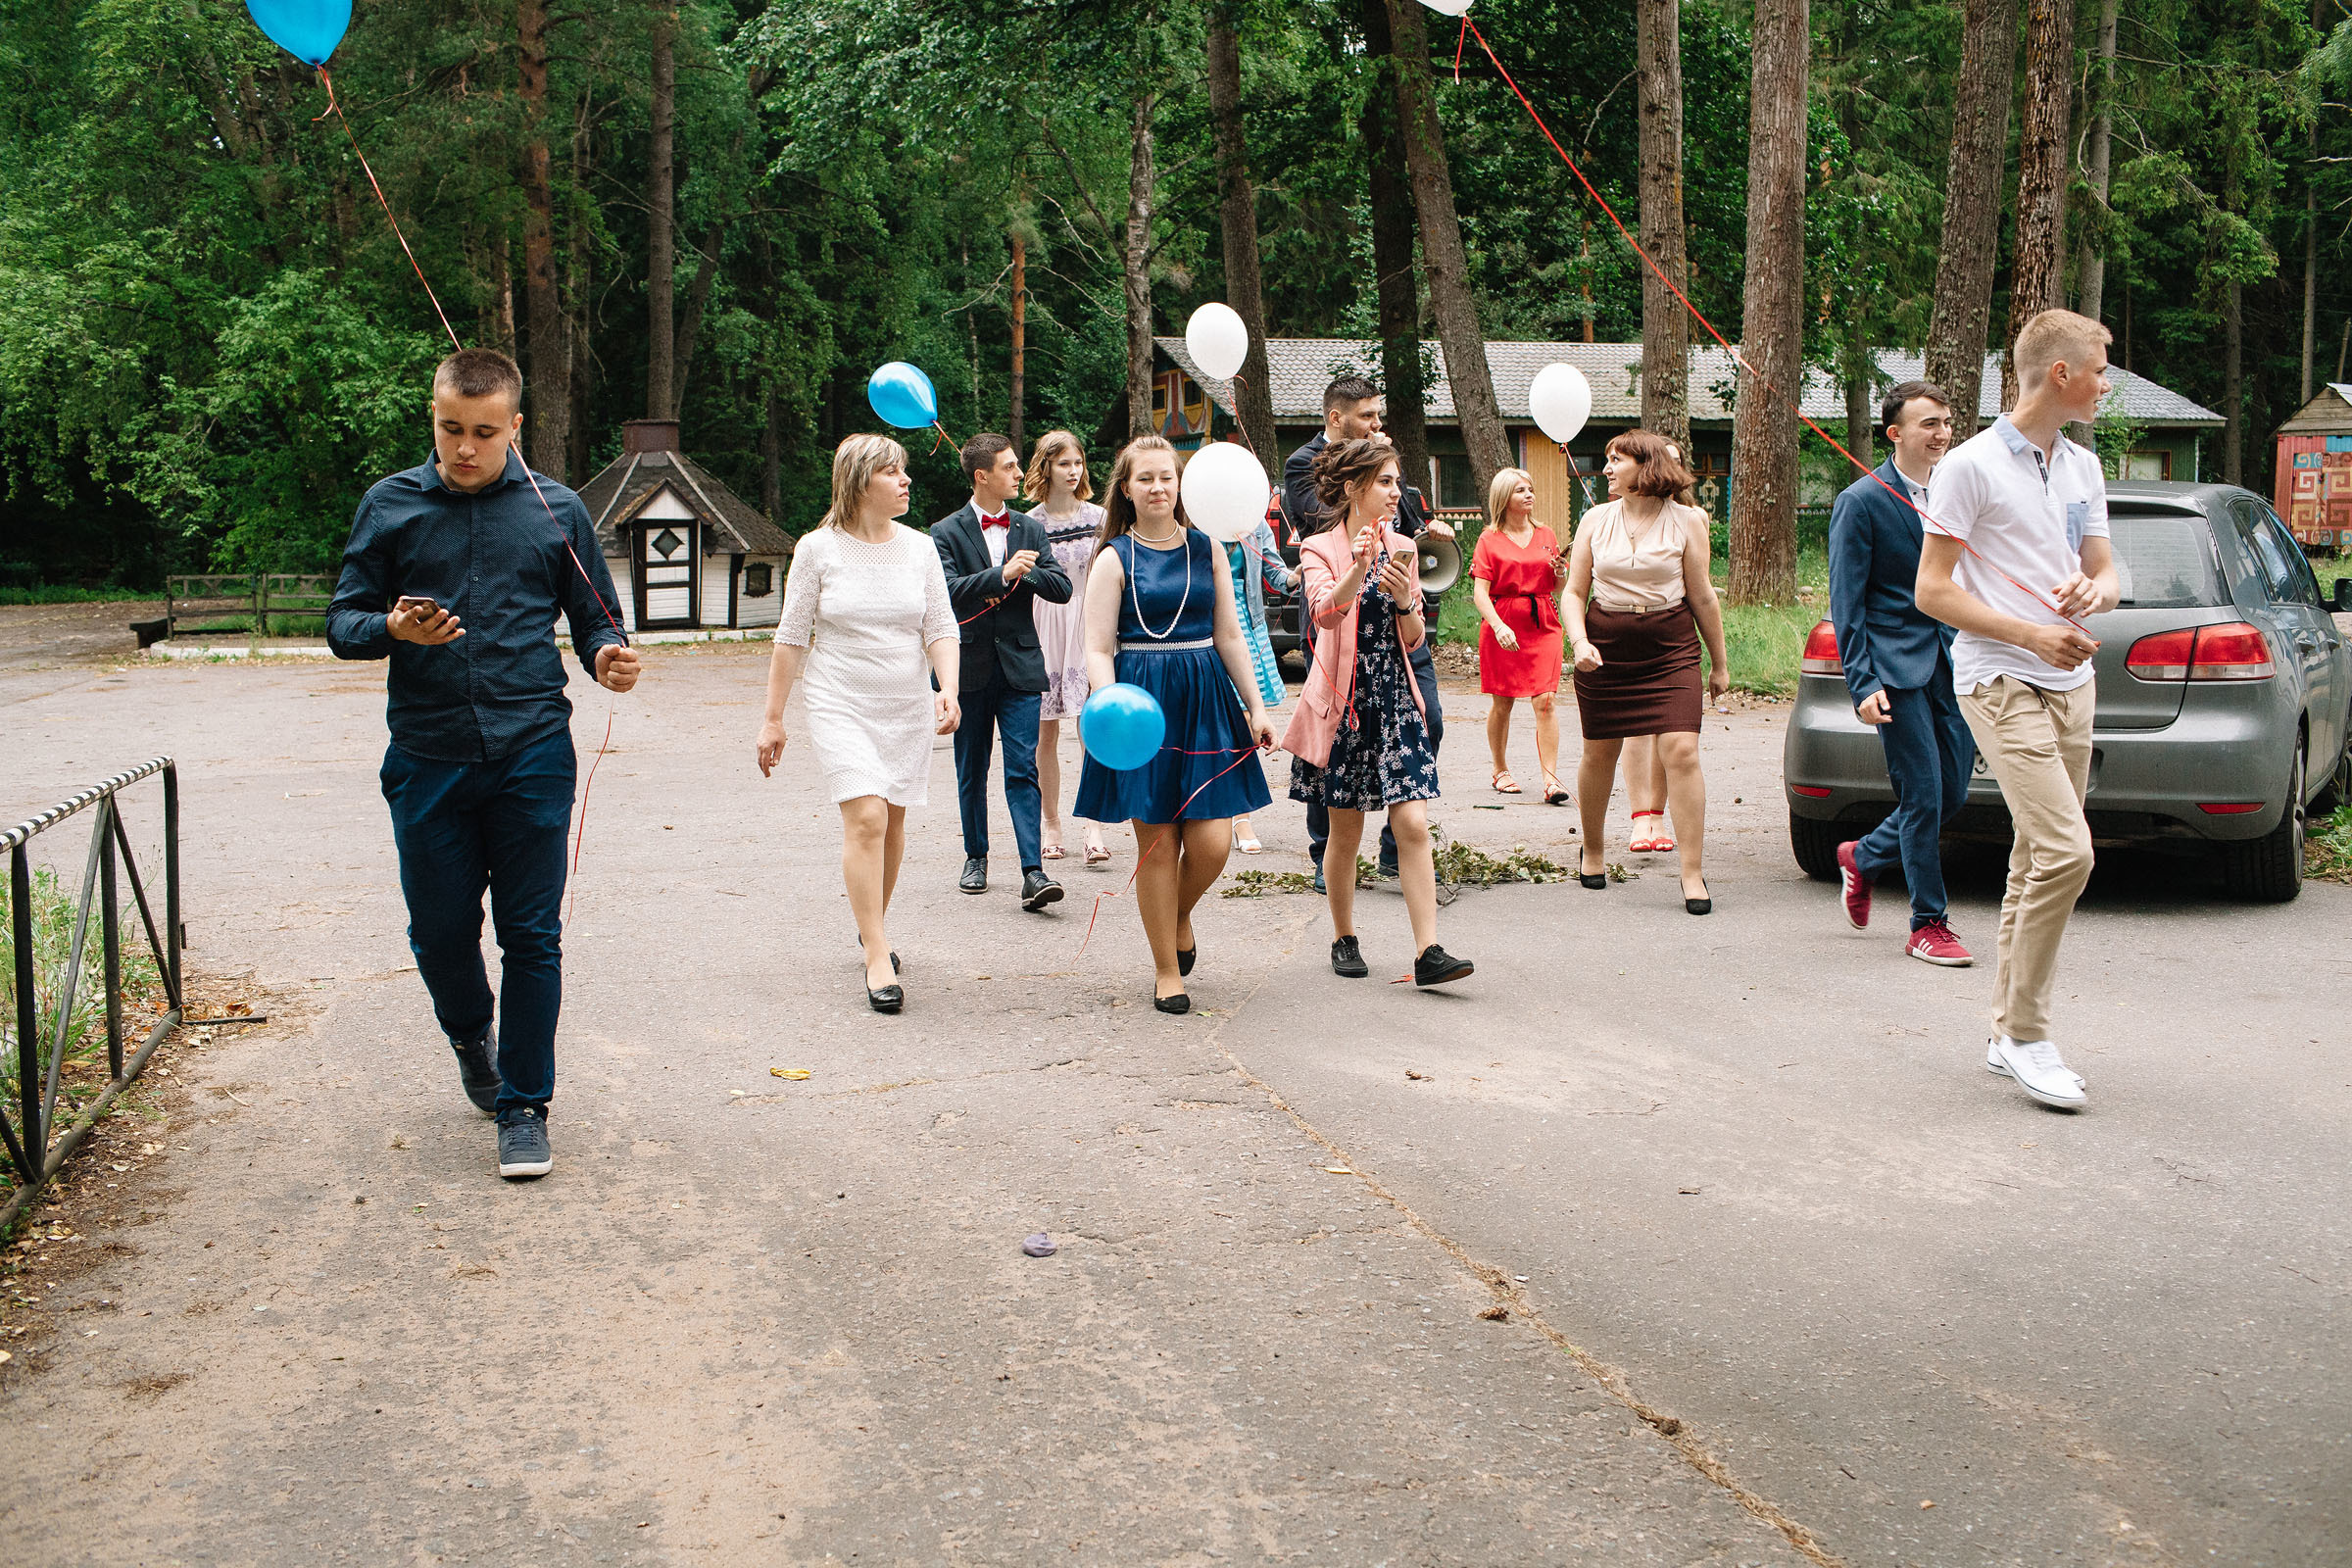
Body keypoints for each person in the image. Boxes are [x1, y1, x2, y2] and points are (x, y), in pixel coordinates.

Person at [327, 346, 641, 1183]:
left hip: (532, 749)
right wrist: (391, 629)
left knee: (532, 936)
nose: (464, 448)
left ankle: (525, 1107)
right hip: (426, 757)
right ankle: (473, 1036)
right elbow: (342, 622)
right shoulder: (388, 505)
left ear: (516, 428)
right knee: (437, 933)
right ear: (432, 416)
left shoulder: (558, 509)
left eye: (483, 432)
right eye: (449, 429)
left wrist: (607, 654)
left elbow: (596, 617)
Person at [1916, 310, 2120, 1111]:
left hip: (2074, 682)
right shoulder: (1967, 467)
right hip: (1999, 679)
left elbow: (2103, 569)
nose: (2108, 382)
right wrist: (2033, 633)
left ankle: (2005, 1035)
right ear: (2061, 373)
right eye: (2101, 368)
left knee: (2038, 858)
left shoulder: (2082, 467)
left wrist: (2091, 592)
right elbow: (1933, 592)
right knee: (2069, 854)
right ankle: (2028, 1035)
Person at [757, 434, 960, 1014]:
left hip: (905, 702)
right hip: (839, 698)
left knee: (892, 821)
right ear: (859, 481)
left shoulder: (920, 549)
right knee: (867, 816)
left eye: (904, 472)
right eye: (893, 473)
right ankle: (877, 951)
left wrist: (947, 686)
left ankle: (873, 923)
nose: (906, 482)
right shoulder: (818, 550)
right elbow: (792, 638)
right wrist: (773, 719)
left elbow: (941, 628)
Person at [1074, 436, 1276, 1014]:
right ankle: (1167, 968)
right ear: (1127, 489)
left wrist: (1257, 705)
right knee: (1158, 846)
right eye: (1146, 479)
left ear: (1180, 485)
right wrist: (1111, 707)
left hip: (1205, 696)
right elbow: (1096, 647)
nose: (1158, 487)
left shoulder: (1208, 548)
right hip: (1138, 703)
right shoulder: (1113, 557)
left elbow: (1231, 636)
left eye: (1167, 477)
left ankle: (1178, 914)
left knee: (1212, 844)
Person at [1284, 437, 1474, 988]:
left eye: (1396, 482)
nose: (1396, 493)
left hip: (1394, 699)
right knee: (1345, 832)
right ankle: (1344, 935)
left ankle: (1428, 951)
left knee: (1412, 822)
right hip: (1347, 707)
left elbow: (1415, 638)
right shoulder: (1318, 547)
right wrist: (1359, 568)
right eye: (1386, 482)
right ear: (1353, 488)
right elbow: (1324, 614)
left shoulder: (1404, 547)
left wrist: (1404, 601)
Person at [1282, 377, 1451, 889]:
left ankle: (1396, 842)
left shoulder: (1386, 468)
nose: (1377, 424)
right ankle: (1327, 853)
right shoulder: (1303, 464)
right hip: (1344, 646)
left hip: (1396, 641)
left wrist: (1422, 531)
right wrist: (1362, 492)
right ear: (1337, 419)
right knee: (1333, 754)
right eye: (1367, 417)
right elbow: (1321, 521)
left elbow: (1399, 521)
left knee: (1433, 724)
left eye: (1379, 417)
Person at [1827, 379, 1974, 966]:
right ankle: (1927, 923)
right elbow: (1847, 602)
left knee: (1953, 792)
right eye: (1928, 424)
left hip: (1955, 661)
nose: (1941, 433)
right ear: (1896, 434)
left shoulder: (1959, 492)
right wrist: (1862, 683)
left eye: (1945, 422)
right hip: (1894, 667)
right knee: (1923, 793)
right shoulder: (1862, 501)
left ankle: (1862, 856)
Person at [1560, 430, 1730, 914]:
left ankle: (1693, 873)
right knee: (1599, 753)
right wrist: (1580, 642)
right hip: (1606, 645)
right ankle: (1593, 850)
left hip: (1669, 645)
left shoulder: (1687, 521)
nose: (1607, 468)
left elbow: (1702, 595)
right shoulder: (1595, 519)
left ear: (1646, 466)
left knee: (1681, 749)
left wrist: (1719, 663)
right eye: (1607, 461)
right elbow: (1574, 593)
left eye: (1618, 460)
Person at [933, 432, 1073, 912]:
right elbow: (946, 592)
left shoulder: (1030, 530)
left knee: (1022, 768)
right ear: (982, 476)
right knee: (971, 769)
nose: (1018, 473)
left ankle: (1033, 871)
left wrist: (1025, 573)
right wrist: (999, 577)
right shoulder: (944, 532)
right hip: (966, 667)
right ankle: (976, 857)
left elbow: (1061, 587)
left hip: (1020, 667)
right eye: (1010, 467)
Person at [1023, 430, 1111, 869]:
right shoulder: (1028, 523)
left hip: (1087, 623)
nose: (1073, 471)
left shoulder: (1101, 517)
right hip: (1043, 624)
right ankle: (1051, 824)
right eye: (1063, 464)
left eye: (1077, 462)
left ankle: (1094, 825)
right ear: (1046, 467)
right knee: (1045, 732)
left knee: (1091, 726)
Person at [1470, 466, 1568, 804]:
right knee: (1504, 701)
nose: (1529, 495)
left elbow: (1558, 587)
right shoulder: (1489, 539)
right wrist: (1498, 626)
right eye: (1520, 490)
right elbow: (1480, 593)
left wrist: (1560, 574)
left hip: (1543, 623)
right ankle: (1500, 769)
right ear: (1504, 498)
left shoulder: (1546, 534)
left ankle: (1551, 780)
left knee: (1546, 700)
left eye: (1531, 489)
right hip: (1504, 621)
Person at [1225, 505, 1296, 854]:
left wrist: (1298, 576)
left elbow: (1276, 574)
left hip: (1245, 627)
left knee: (1245, 725)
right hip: (1204, 627)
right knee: (1217, 725)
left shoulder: (1253, 523)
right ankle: (1219, 812)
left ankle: (1241, 818)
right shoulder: (1193, 519)